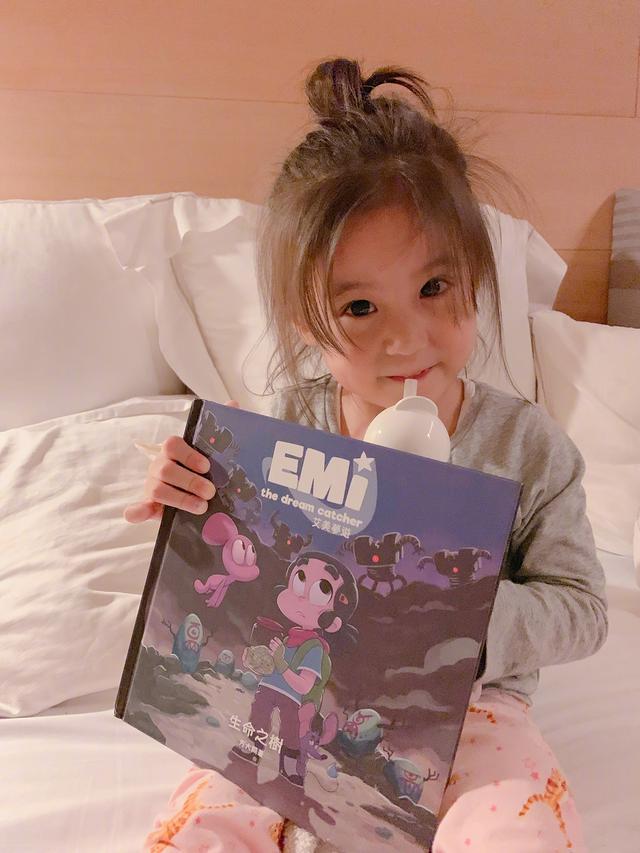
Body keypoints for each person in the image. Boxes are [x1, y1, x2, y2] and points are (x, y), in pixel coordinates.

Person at [125, 58, 607, 853]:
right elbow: (239, 570)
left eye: (434, 288)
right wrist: (186, 505)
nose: (405, 338)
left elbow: (584, 609)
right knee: (209, 816)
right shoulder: (287, 428)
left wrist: (474, 621)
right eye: (358, 306)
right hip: (288, 692)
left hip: (469, 710)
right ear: (305, 325)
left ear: (478, 278)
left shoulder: (526, 446)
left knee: (518, 821)